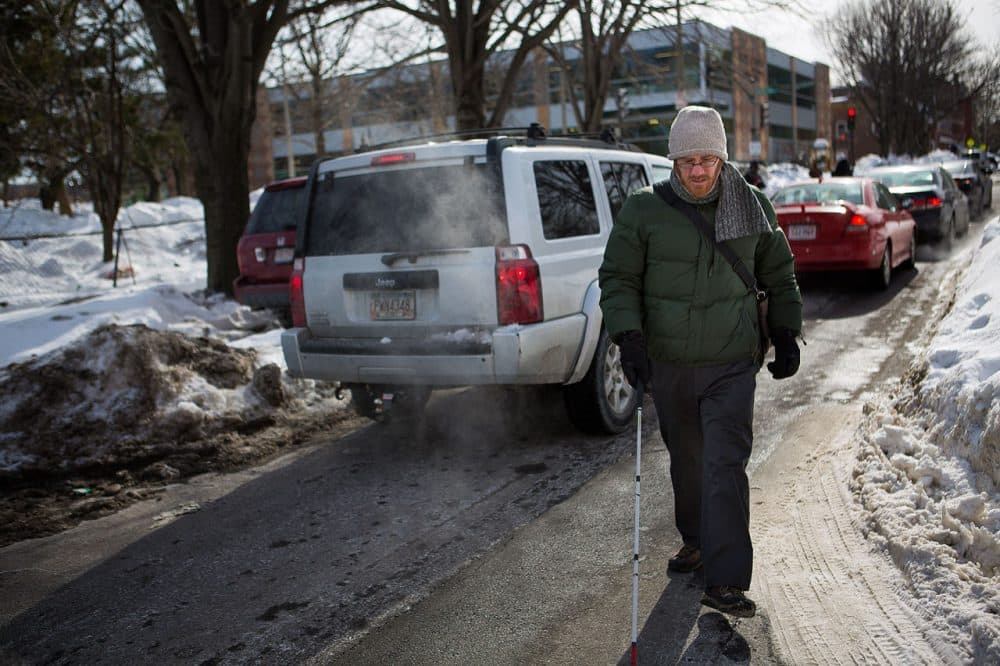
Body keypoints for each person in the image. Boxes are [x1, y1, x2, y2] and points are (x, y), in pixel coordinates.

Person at [598, 105, 803, 618]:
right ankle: (695, 540)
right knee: (688, 460)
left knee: (724, 464)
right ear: (672, 159)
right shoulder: (644, 210)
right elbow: (618, 278)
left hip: (732, 363)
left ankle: (727, 579)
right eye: (686, 160)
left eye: (707, 159)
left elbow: (779, 274)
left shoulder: (752, 206)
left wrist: (785, 331)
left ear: (722, 158)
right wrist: (630, 338)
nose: (697, 170)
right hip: (669, 363)